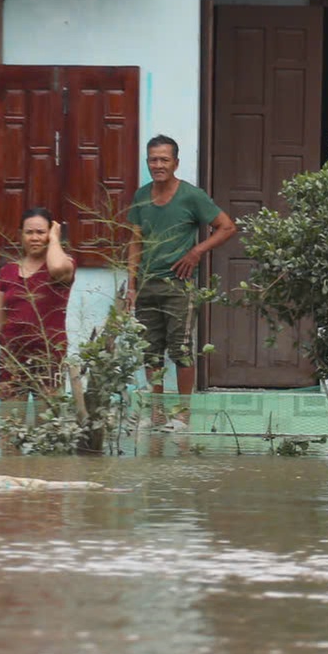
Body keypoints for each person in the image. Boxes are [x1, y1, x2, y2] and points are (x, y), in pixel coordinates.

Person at [124, 136, 238, 433]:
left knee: (181, 350)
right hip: (147, 285)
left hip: (178, 285)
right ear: (147, 162)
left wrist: (197, 251)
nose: (158, 165)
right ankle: (158, 413)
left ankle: (183, 415)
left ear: (176, 162)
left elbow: (227, 227)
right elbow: (135, 241)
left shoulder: (191, 196)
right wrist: (131, 284)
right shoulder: (141, 197)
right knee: (150, 351)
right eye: (153, 160)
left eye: (164, 159)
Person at [0, 206, 76, 399]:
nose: (34, 238)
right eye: (29, 232)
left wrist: (56, 238)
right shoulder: (8, 271)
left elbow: (56, 266)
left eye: (41, 232)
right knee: (11, 425)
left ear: (50, 234)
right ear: (20, 235)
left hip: (48, 357)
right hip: (12, 358)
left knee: (47, 425)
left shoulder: (64, 265)